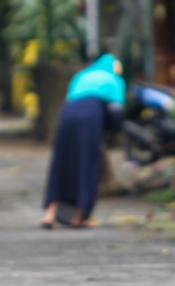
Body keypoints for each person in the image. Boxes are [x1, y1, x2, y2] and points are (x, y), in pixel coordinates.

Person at [40, 53, 126, 229]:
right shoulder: (114, 80)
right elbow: (116, 111)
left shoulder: (82, 75)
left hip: (67, 116)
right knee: (88, 165)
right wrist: (114, 131)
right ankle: (80, 217)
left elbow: (69, 99)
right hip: (91, 118)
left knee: (61, 163)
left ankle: (50, 214)